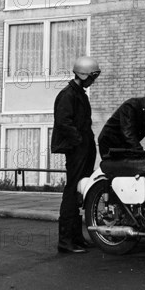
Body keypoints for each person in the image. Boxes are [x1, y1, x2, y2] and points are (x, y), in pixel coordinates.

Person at [51, 55, 100, 254]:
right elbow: (64, 123)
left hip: (84, 148)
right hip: (76, 150)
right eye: (92, 76)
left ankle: (77, 237)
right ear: (83, 74)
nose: (93, 80)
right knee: (72, 193)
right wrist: (79, 141)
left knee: (81, 193)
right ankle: (65, 241)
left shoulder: (80, 93)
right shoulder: (68, 95)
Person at [98, 86, 145, 159]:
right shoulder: (131, 106)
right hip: (110, 144)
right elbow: (128, 133)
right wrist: (140, 152)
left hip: (125, 145)